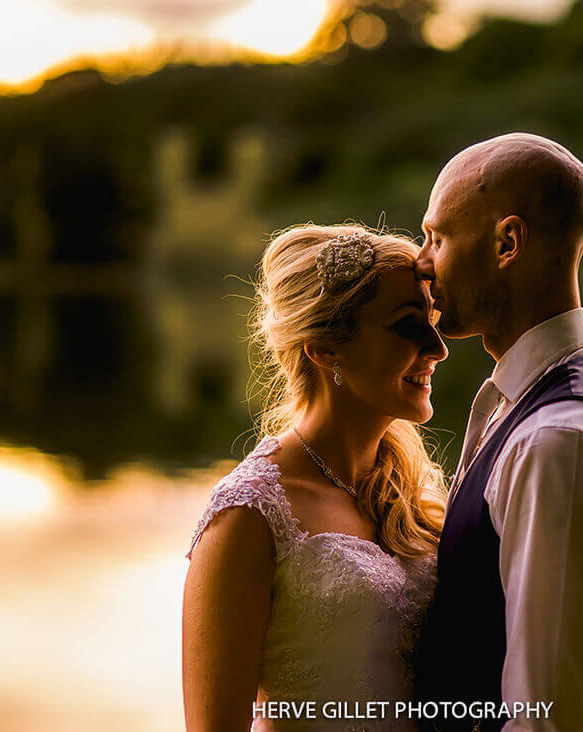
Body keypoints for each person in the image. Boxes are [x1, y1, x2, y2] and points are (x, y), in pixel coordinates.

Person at [412, 133, 583, 732]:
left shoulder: (562, 443)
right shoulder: (544, 403)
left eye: (437, 237)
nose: (420, 262)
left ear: (507, 243)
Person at [182, 224, 449, 732]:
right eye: (408, 326)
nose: (437, 349)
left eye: (433, 322)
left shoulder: (416, 493)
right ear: (328, 351)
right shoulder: (249, 513)